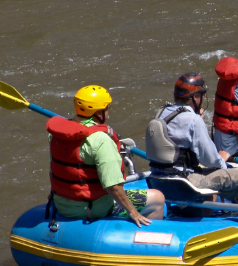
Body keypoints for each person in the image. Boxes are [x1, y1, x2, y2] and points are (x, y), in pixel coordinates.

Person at [46, 85, 165, 227]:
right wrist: (133, 212)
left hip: (62, 203)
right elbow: (112, 186)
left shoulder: (57, 135)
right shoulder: (101, 140)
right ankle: (148, 240)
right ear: (99, 112)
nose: (108, 112)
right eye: (107, 108)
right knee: (157, 198)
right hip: (91, 208)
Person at [146, 73, 238, 207]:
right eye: (202, 95)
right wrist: (221, 160)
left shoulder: (162, 112)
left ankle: (205, 212)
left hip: (157, 180)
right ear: (195, 97)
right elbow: (209, 160)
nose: (203, 98)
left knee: (207, 172)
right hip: (185, 183)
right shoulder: (193, 120)